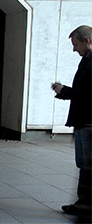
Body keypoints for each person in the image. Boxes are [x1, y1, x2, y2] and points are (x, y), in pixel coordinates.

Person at [52, 25, 92, 216]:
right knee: (84, 166)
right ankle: (83, 203)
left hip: (88, 122)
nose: (74, 49)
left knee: (87, 166)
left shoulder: (91, 62)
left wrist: (65, 91)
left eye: (76, 44)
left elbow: (88, 94)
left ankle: (85, 205)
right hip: (83, 121)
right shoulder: (86, 60)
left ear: (87, 41)